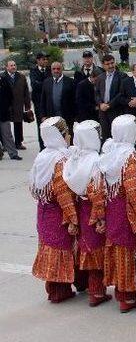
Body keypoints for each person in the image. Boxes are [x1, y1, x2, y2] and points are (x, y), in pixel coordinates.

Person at [98, 114, 136, 313]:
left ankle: (120, 290)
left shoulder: (108, 153)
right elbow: (134, 191)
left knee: (117, 250)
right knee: (127, 251)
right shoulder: (130, 157)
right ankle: (127, 296)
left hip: (112, 208)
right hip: (126, 210)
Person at [62, 119, 110, 307]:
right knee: (95, 251)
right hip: (91, 211)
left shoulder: (73, 160)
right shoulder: (94, 162)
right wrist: (100, 217)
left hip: (80, 210)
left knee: (83, 247)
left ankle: (83, 284)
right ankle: (97, 292)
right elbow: (97, 194)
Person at [30, 117, 79, 303]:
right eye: (66, 133)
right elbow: (64, 195)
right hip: (58, 214)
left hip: (43, 211)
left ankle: (53, 288)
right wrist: (73, 219)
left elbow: (33, 187)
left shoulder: (42, 157)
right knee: (59, 250)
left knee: (48, 248)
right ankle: (59, 291)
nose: (68, 136)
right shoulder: (60, 160)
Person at [40, 61, 76, 136]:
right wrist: (43, 115)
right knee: (54, 138)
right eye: (54, 69)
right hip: (51, 117)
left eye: (58, 69)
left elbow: (75, 100)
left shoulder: (70, 82)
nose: (56, 71)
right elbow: (43, 100)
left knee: (67, 138)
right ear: (51, 70)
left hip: (66, 117)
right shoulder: (46, 82)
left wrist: (75, 117)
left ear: (62, 69)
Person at [96, 54, 126, 141]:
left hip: (116, 111)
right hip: (103, 112)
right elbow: (97, 93)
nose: (110, 66)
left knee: (117, 137)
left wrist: (109, 105)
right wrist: (101, 104)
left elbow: (121, 93)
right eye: (108, 64)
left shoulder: (122, 76)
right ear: (103, 65)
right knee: (105, 137)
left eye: (112, 63)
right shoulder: (100, 77)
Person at [3, 60, 30, 150]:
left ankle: (18, 143)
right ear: (7, 67)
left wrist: (27, 105)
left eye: (14, 65)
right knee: (4, 125)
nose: (13, 67)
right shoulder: (2, 76)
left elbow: (26, 92)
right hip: (5, 105)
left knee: (18, 124)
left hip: (18, 104)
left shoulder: (21, 77)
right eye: (11, 65)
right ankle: (5, 145)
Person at [30, 52, 51, 150]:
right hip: (39, 103)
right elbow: (34, 85)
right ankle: (42, 147)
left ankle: (51, 146)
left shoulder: (50, 70)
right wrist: (46, 83)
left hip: (50, 102)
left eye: (46, 59)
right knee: (41, 125)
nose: (45, 61)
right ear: (38, 61)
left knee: (51, 125)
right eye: (43, 59)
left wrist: (42, 84)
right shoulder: (33, 71)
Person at [0, 72, 21, 160]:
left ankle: (13, 153)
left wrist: (7, 107)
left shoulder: (4, 80)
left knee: (7, 134)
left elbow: (10, 95)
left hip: (4, 113)